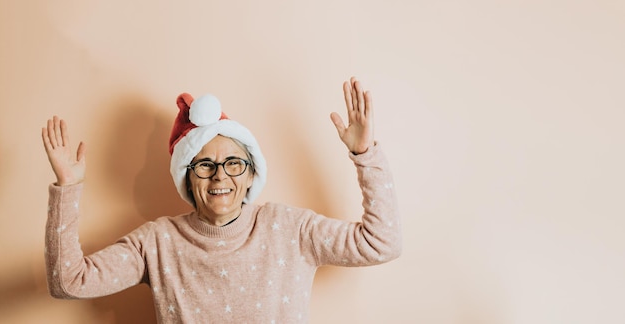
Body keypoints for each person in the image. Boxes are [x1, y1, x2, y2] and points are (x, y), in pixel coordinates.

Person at [42, 77, 402, 323]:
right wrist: (67, 188)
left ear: (249, 175)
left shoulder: (291, 229)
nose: (220, 176)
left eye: (233, 163)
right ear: (187, 176)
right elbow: (70, 282)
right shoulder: (157, 242)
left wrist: (365, 154)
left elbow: (381, 243)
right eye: (205, 165)